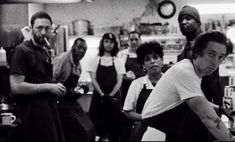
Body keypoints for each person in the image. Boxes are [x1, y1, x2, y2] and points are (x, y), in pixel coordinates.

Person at [141, 32, 234, 142]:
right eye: (211, 54)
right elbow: (209, 119)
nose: (215, 62)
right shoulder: (185, 72)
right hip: (157, 132)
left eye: (220, 57)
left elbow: (200, 101)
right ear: (198, 51)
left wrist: (221, 109)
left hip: (165, 129)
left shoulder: (190, 69)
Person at [9, 11, 66, 142]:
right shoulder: (21, 51)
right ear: (31, 29)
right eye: (39, 28)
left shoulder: (43, 50)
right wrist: (48, 86)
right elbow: (16, 86)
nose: (43, 32)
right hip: (31, 113)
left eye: (47, 28)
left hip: (48, 110)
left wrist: (55, 85)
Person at [177, 5, 224, 110]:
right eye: (181, 20)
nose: (184, 22)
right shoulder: (189, 44)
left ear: (198, 22)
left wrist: (219, 109)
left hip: (203, 106)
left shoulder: (206, 43)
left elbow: (213, 79)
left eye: (188, 18)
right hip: (190, 104)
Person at [53, 37, 96, 142]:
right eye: (79, 47)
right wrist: (66, 91)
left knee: (90, 129)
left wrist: (81, 89)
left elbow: (74, 85)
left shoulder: (78, 65)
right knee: (80, 132)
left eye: (84, 50)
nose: (81, 51)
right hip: (59, 102)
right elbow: (50, 80)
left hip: (70, 102)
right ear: (73, 47)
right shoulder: (62, 59)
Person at [122, 41, 164, 141]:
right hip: (142, 132)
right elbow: (127, 111)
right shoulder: (137, 84)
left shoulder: (171, 82)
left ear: (162, 60)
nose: (153, 61)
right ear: (143, 65)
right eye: (147, 59)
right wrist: (145, 117)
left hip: (167, 131)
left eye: (155, 57)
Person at [88, 33, 126, 142]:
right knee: (97, 129)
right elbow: (93, 79)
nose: (109, 44)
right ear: (102, 43)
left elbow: (119, 81)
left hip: (113, 99)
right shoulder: (95, 59)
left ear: (114, 44)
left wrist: (110, 95)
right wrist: (102, 95)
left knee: (114, 130)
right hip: (99, 98)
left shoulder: (118, 61)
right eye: (106, 41)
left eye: (111, 42)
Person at [118, 31, 146, 105]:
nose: (134, 42)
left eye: (136, 39)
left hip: (142, 89)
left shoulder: (145, 55)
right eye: (131, 39)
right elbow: (117, 74)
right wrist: (126, 78)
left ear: (140, 41)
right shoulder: (121, 55)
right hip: (126, 90)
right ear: (128, 41)